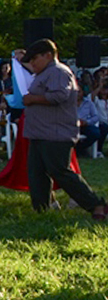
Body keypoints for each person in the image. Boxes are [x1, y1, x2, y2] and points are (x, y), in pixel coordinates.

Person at [17, 40, 108, 218]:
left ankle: (96, 205)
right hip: (41, 132)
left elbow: (59, 95)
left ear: (48, 55)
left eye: (35, 58)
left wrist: (32, 99)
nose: (32, 63)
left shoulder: (58, 72)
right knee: (37, 173)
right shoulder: (45, 73)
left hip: (55, 133)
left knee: (60, 171)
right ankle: (41, 210)